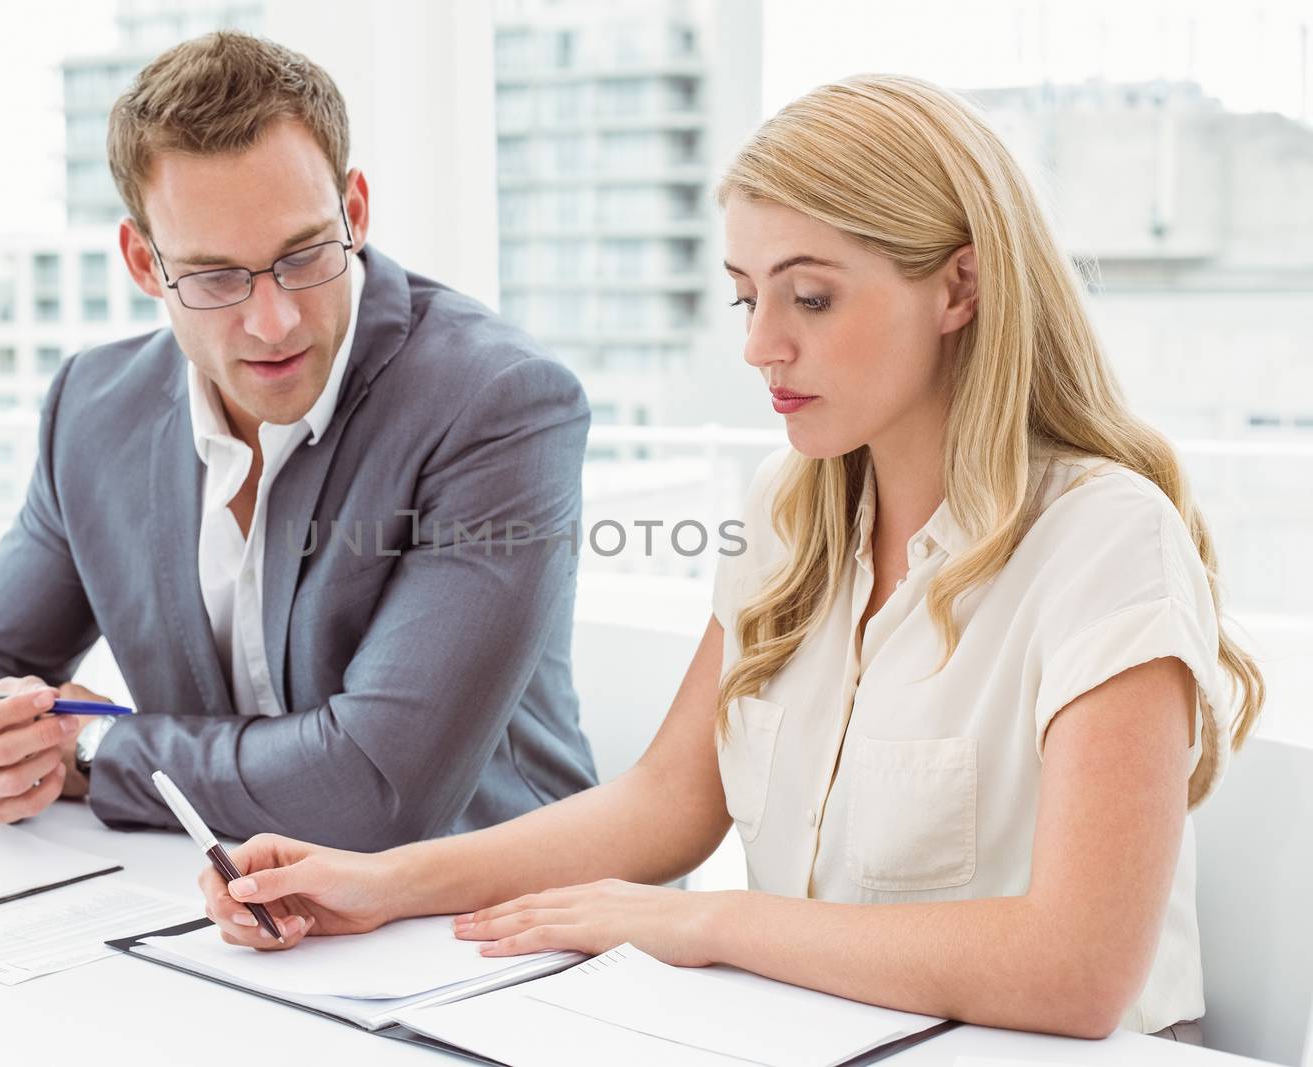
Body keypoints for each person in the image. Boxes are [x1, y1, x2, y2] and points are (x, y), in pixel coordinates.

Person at [195, 74, 1265, 1041]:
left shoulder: (1103, 538)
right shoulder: (788, 513)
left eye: (810, 296)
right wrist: (379, 882)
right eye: (747, 295)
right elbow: (666, 802)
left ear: (957, 288)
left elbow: (1076, 968)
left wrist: (710, 920)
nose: (759, 345)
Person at [0, 32, 598, 845]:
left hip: (487, 924)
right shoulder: (93, 410)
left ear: (356, 212)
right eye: (214, 277)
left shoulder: (497, 404)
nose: (273, 322)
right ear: (143, 262)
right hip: (207, 900)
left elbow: (375, 788)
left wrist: (94, 748)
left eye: (302, 255)